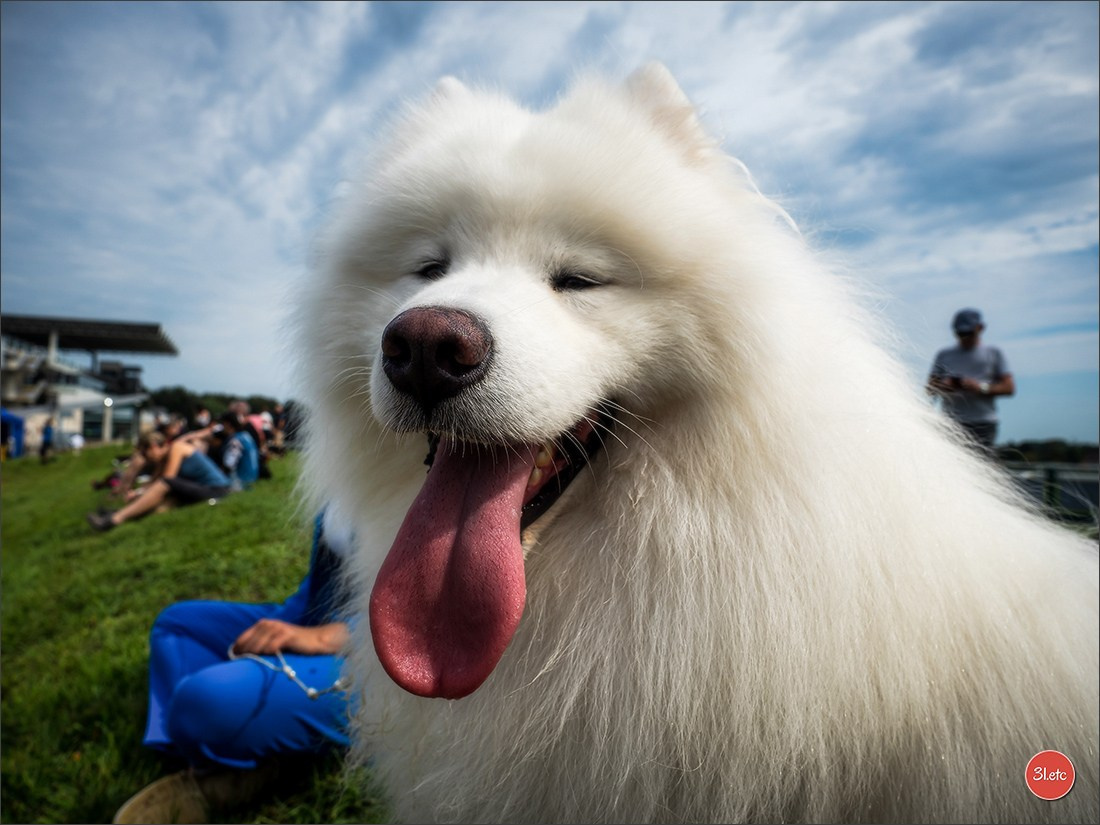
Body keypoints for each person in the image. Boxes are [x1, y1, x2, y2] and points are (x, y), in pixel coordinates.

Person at [114, 511, 353, 822]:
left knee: (203, 701)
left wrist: (322, 638)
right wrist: (286, 625)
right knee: (178, 627)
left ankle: (247, 754)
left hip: (380, 658)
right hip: (324, 620)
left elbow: (431, 620)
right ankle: (219, 753)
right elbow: (325, 576)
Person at [86, 431, 231, 531]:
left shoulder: (177, 447)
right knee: (158, 507)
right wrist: (137, 493)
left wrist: (140, 493)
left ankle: (114, 519)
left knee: (165, 485)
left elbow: (168, 479)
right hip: (201, 489)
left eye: (145, 452)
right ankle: (117, 513)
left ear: (154, 446)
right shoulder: (164, 459)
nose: (145, 458)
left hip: (216, 490)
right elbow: (152, 483)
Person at [927, 308, 1015, 450]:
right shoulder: (943, 355)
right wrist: (945, 386)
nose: (964, 337)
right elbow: (930, 388)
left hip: (983, 424)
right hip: (949, 423)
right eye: (960, 333)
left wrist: (980, 387)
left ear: (980, 328)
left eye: (968, 333)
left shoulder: (994, 353)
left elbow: (1009, 387)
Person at [217, 411, 260, 490]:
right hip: (252, 478)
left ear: (228, 424)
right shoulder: (246, 435)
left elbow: (228, 464)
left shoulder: (235, 441)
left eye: (223, 424)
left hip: (241, 482)